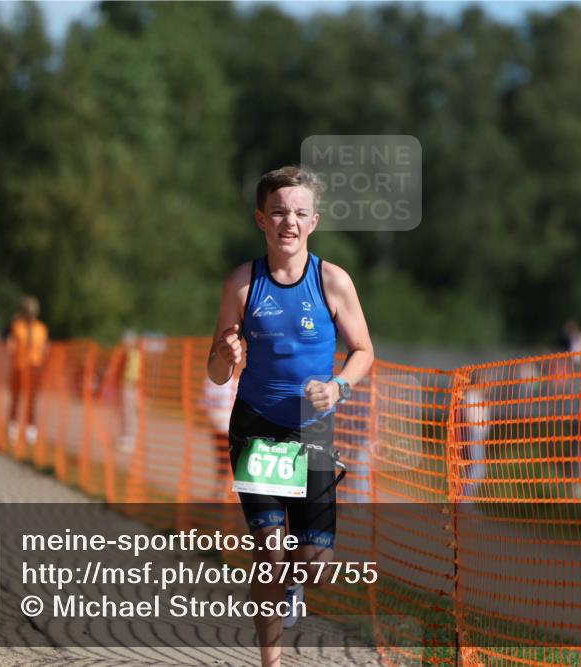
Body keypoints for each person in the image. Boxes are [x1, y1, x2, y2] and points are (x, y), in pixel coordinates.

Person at [207, 166, 374, 666]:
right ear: (261, 218)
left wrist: (339, 386)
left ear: (314, 221)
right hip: (257, 425)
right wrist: (227, 352)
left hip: (312, 428)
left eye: (300, 213)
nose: (289, 222)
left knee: (314, 558)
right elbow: (216, 373)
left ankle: (294, 585)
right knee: (269, 553)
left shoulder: (333, 281)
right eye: (279, 211)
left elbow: (364, 350)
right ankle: (270, 661)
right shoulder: (242, 282)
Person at [6, 296, 49, 446]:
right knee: (16, 398)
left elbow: (44, 348)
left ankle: (31, 431)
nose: (30, 314)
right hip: (19, 366)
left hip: (34, 367)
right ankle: (13, 429)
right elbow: (11, 345)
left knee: (32, 399)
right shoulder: (17, 327)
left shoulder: (41, 329)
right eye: (28, 312)